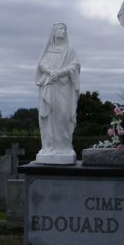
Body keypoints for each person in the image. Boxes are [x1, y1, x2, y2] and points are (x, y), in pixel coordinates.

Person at [35, 23, 80, 164]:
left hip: (64, 89)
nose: (63, 31)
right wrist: (50, 72)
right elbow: (41, 64)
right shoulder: (47, 51)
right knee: (49, 117)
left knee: (64, 115)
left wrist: (59, 73)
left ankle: (65, 147)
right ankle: (49, 147)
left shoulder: (70, 51)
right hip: (49, 86)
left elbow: (75, 66)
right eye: (60, 28)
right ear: (54, 32)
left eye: (65, 29)